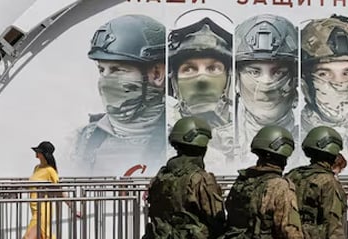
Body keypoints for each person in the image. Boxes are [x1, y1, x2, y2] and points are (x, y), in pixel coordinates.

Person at [71, 14, 167, 176]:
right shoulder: (80, 141)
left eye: (117, 70)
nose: (105, 81)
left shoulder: (180, 141)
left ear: (157, 74)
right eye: (102, 70)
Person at [168, 16, 233, 165]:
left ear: (228, 79)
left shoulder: (245, 135)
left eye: (213, 68)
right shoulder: (161, 138)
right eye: (189, 69)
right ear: (175, 82)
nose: (202, 80)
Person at [234, 14, 298, 165]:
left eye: (279, 72)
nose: (266, 85)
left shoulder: (308, 146)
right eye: (254, 72)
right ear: (237, 79)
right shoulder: (218, 147)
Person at [300, 15, 348, 167]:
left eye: (347, 73)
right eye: (324, 74)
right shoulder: (293, 147)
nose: (339, 84)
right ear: (305, 82)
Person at [14, 141, 78, 239]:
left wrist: (72, 207)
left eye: (38, 151)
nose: (36, 153)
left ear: (43, 154)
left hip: (43, 211)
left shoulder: (50, 171)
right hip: (36, 209)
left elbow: (60, 190)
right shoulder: (37, 168)